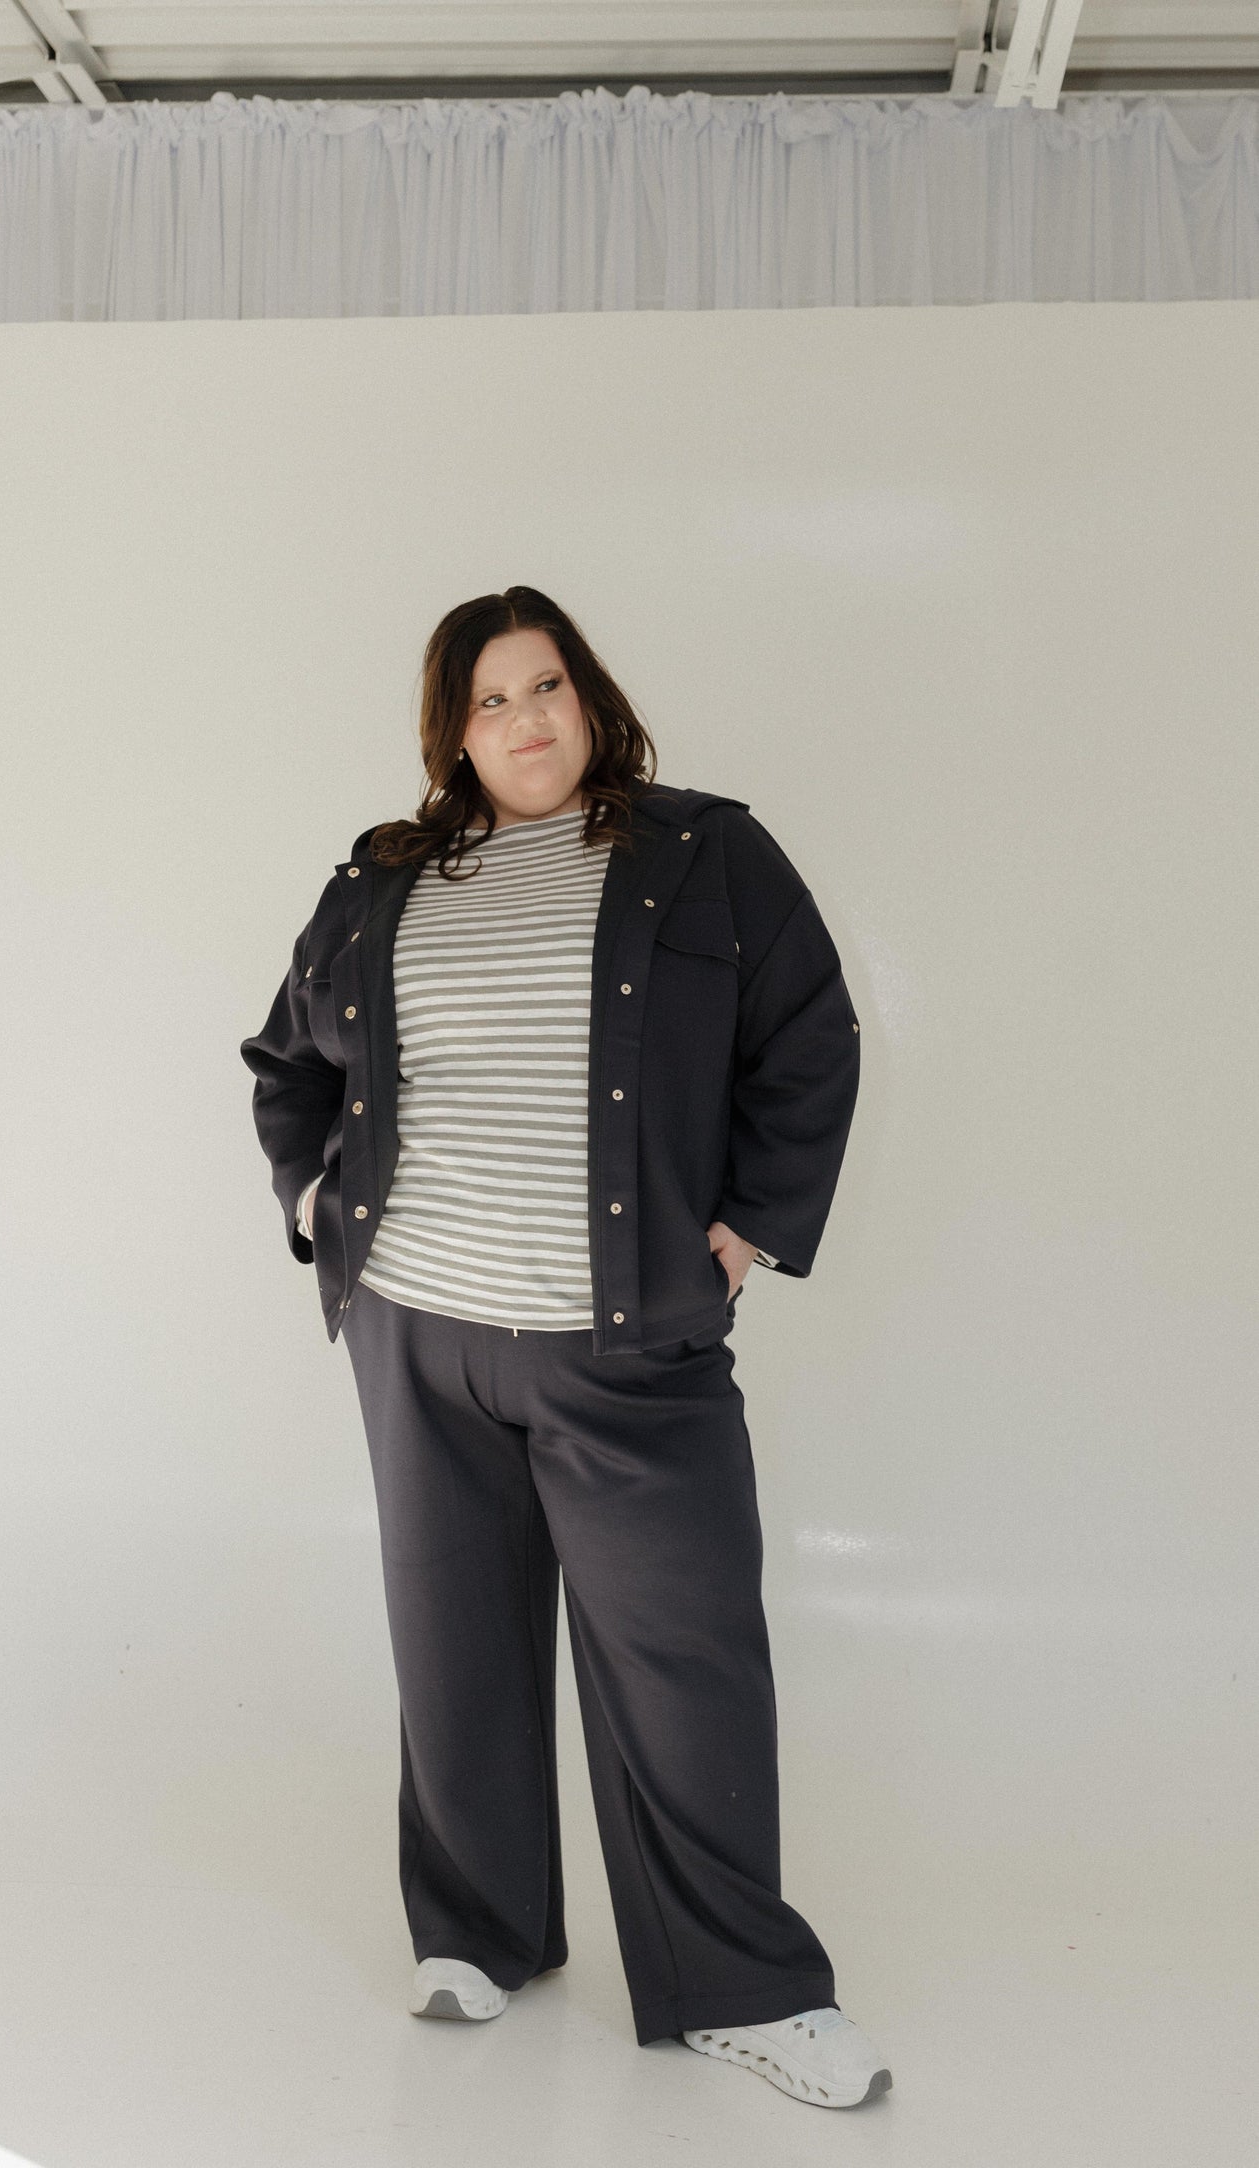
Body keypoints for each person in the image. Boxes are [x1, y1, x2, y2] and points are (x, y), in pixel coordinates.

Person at [240, 586, 891, 2111]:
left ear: (586, 697)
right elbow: (287, 1058)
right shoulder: (385, 876)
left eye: (544, 687)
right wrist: (315, 1195)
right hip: (412, 1328)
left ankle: (743, 1984)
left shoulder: (702, 852)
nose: (523, 721)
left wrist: (750, 1225)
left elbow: (810, 1037)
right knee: (452, 1645)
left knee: (682, 1660)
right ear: (450, 733)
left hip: (624, 1342)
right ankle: (480, 1932)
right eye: (487, 701)